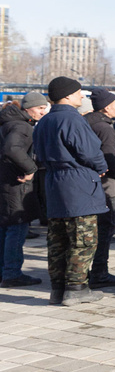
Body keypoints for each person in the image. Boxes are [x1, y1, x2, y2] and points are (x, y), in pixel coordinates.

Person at [32, 77, 110, 306]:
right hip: (77, 184)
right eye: (79, 93)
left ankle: (58, 289)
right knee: (83, 239)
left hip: (54, 182)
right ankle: (76, 288)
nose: (83, 97)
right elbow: (89, 150)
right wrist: (102, 166)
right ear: (66, 96)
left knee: (58, 240)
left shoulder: (45, 120)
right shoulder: (72, 119)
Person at [1, 92, 50, 288]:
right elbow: (12, 149)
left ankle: (5, 271)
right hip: (15, 185)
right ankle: (12, 273)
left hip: (6, 183)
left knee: (6, 228)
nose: (43, 111)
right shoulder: (21, 125)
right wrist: (30, 168)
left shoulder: (9, 121)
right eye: (39, 108)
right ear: (28, 108)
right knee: (16, 228)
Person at [83, 89, 115, 289]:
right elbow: (110, 158)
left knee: (91, 230)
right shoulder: (105, 128)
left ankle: (87, 270)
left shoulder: (87, 123)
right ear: (106, 106)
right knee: (106, 228)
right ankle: (100, 272)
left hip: (90, 184)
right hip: (107, 185)